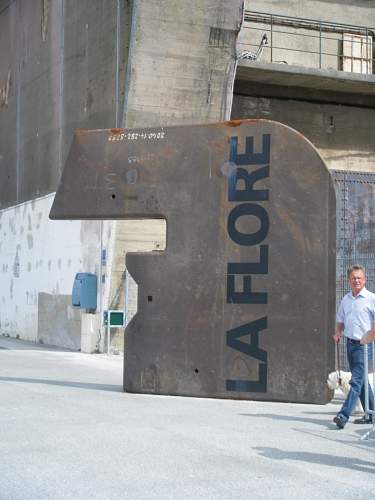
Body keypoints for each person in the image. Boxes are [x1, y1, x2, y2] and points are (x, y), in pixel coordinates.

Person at [333, 265, 375, 429]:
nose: (356, 280)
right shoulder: (346, 299)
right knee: (362, 381)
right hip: (350, 344)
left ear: (364, 280)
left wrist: (370, 337)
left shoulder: (371, 298)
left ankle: (342, 416)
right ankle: (372, 415)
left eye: (359, 278)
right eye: (353, 278)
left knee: (356, 381)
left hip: (364, 347)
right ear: (349, 280)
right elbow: (340, 321)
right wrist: (338, 333)